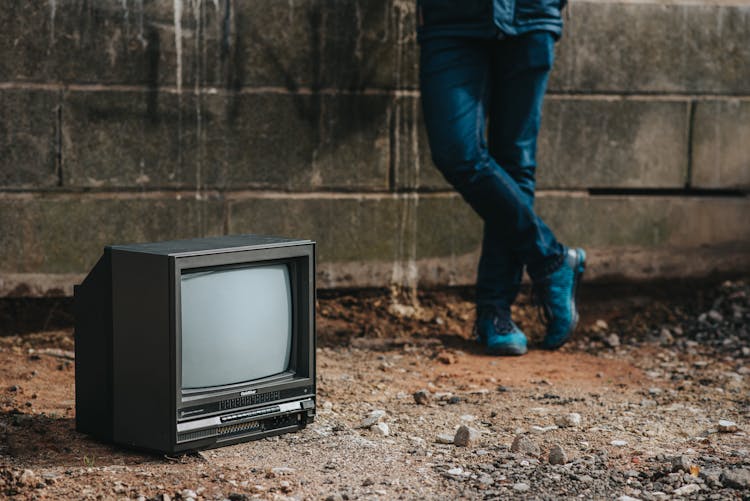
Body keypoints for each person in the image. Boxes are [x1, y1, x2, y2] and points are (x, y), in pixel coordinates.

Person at [417, 0, 585, 356]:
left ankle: (495, 313)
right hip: (452, 19)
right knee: (456, 153)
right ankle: (550, 259)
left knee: (516, 163)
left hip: (532, 15)